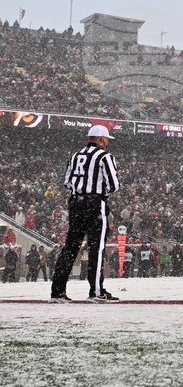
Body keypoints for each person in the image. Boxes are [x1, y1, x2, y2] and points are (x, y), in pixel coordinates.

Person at [49, 125, 121, 303]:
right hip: (94, 203)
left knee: (70, 247)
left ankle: (57, 292)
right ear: (102, 139)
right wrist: (99, 194)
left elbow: (67, 182)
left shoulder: (75, 156)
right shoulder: (104, 157)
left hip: (75, 203)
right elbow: (114, 185)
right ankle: (96, 291)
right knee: (97, 248)